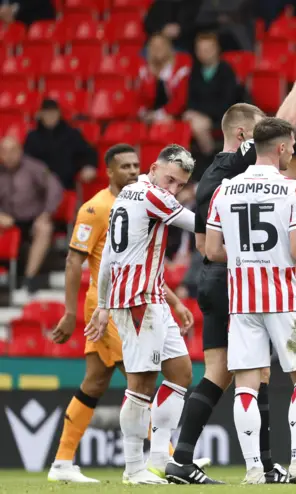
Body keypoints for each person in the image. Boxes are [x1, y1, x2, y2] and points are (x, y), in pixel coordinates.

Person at [165, 43, 296, 485]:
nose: (271, 141)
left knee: (243, 370)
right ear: (242, 138)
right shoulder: (238, 164)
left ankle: (257, 462)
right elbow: (283, 125)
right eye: (258, 135)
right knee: (239, 372)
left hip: (213, 274)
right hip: (236, 275)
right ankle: (186, 457)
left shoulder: (214, 176)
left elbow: (202, 240)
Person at [47, 144, 204, 483]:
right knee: (141, 383)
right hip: (136, 301)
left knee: (180, 373)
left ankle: (161, 457)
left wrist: (103, 304)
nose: (173, 188)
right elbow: (200, 224)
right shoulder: (151, 196)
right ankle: (134, 467)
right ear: (155, 169)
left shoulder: (128, 195)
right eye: (170, 179)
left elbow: (109, 259)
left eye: (179, 185)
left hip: (147, 297)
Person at [204, 117, 296, 484]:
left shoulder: (224, 190)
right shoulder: (292, 190)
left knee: (245, 383)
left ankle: (252, 470)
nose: (293, 152)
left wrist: (247, 258)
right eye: (291, 146)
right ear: (280, 148)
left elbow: (212, 250)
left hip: (242, 300)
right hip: (283, 297)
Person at [0, 136, 62, 297]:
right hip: (8, 220)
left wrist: (46, 213)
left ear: (20, 151)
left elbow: (55, 188)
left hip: (32, 219)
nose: (8, 155)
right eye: (4, 151)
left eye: (12, 151)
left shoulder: (34, 167)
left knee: (44, 228)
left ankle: (29, 278)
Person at [184, 32, 239, 157]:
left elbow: (227, 102)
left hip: (222, 116)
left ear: (216, 49)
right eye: (200, 50)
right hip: (198, 116)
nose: (203, 53)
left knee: (197, 125)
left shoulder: (226, 70)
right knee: (190, 121)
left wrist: (204, 115)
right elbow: (191, 100)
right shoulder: (195, 71)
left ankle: (209, 157)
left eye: (207, 49)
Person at [23, 99, 97, 191]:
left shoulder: (72, 134)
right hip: (38, 188)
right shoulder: (32, 137)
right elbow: (26, 160)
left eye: (53, 113)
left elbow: (87, 152)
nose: (50, 116)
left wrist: (89, 166)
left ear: (59, 114)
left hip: (65, 186)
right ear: (41, 115)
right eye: (47, 113)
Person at [138, 34, 191, 123]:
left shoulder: (181, 65)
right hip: (152, 115)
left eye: (161, 45)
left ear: (169, 47)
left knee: (163, 122)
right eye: (153, 46)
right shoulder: (144, 69)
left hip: (177, 113)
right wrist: (144, 113)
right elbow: (142, 99)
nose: (157, 49)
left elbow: (181, 101)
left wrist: (158, 115)